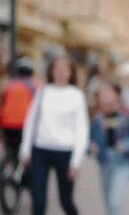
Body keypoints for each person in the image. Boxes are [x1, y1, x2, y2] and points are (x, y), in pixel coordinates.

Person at [20, 55, 89, 215]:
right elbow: (31, 121)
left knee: (66, 202)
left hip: (65, 152)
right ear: (51, 71)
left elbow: (82, 130)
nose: (61, 72)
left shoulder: (76, 95)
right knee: (38, 202)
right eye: (57, 68)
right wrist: (25, 149)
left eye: (65, 68)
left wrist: (76, 161)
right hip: (40, 151)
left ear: (71, 72)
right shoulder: (42, 92)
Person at [90, 81, 129, 215]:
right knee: (108, 203)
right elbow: (90, 138)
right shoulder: (97, 118)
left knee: (115, 202)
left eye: (107, 91)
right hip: (104, 163)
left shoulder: (128, 116)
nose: (103, 95)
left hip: (123, 163)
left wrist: (126, 145)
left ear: (116, 95)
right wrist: (91, 146)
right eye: (102, 93)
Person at [1, 57, 38, 159]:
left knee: (10, 148)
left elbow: (4, 100)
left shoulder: (9, 84)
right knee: (24, 149)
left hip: (7, 122)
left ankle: (8, 166)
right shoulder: (35, 85)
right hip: (25, 123)